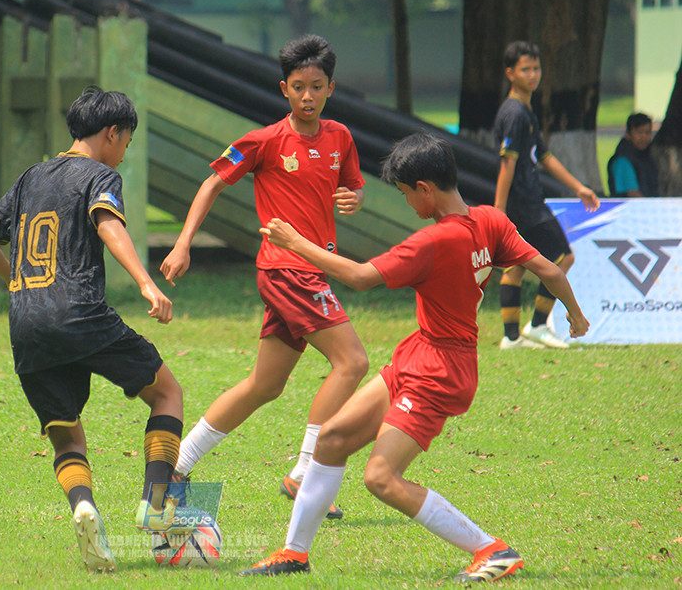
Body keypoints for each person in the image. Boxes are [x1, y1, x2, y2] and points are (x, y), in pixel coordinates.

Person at [241, 132, 589, 582]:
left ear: (425, 187)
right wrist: (575, 316)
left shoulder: (433, 242)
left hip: (440, 372)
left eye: (406, 193)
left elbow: (360, 277)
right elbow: (546, 268)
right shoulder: (490, 221)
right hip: (419, 353)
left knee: (381, 478)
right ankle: (294, 553)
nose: (407, 202)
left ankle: (492, 550)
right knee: (331, 439)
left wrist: (295, 243)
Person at [0, 86, 185, 573]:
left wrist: (18, 281)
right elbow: (108, 225)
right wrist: (148, 285)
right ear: (112, 133)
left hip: (25, 323)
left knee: (67, 438)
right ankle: (156, 507)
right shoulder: (99, 174)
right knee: (167, 394)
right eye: (126, 141)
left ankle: (83, 507)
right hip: (80, 313)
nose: (124, 150)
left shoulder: (31, 177)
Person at [160, 34, 369, 518]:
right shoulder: (265, 141)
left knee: (265, 385)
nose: (307, 97)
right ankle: (304, 474)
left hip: (313, 270)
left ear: (331, 88)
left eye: (317, 87)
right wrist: (183, 242)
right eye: (298, 87)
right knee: (352, 363)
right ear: (284, 89)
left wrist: (354, 199)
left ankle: (179, 463)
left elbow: (353, 188)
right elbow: (213, 181)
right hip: (287, 271)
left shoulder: (341, 138)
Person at [493, 41, 599, 350]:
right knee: (563, 257)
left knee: (517, 266)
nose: (533, 74)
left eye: (536, 68)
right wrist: (499, 208)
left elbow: (545, 155)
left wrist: (578, 187)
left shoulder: (526, 109)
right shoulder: (514, 112)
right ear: (510, 73)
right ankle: (538, 325)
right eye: (525, 69)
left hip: (524, 201)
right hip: (524, 203)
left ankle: (511, 338)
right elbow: (507, 162)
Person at [607, 113, 659, 197]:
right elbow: (633, 194)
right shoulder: (622, 161)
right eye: (639, 132)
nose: (644, 137)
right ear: (628, 134)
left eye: (647, 132)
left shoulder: (646, 156)